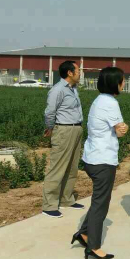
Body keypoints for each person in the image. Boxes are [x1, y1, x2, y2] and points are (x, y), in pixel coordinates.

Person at [71, 67, 128, 259]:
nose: (124, 84)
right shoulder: (111, 103)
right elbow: (120, 131)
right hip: (103, 159)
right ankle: (93, 247)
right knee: (100, 204)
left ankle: (84, 234)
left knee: (98, 200)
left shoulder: (99, 100)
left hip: (92, 157)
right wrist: (124, 129)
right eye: (122, 81)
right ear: (115, 83)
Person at [42, 61, 85, 218]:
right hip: (64, 130)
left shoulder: (73, 89)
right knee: (58, 167)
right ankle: (49, 205)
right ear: (69, 73)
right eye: (78, 70)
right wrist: (50, 127)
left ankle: (67, 199)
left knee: (72, 167)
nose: (80, 73)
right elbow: (50, 111)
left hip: (76, 129)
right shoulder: (58, 90)